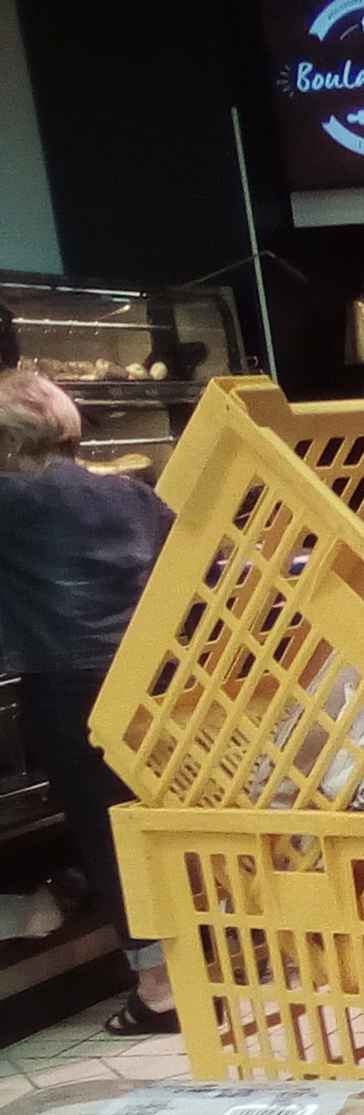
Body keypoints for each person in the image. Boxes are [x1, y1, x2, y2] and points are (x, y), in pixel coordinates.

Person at [0, 367, 178, 1032]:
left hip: (70, 688)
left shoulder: (11, 503)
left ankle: (160, 990)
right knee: (165, 824)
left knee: (111, 834)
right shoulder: (131, 495)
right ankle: (212, 961)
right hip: (155, 680)